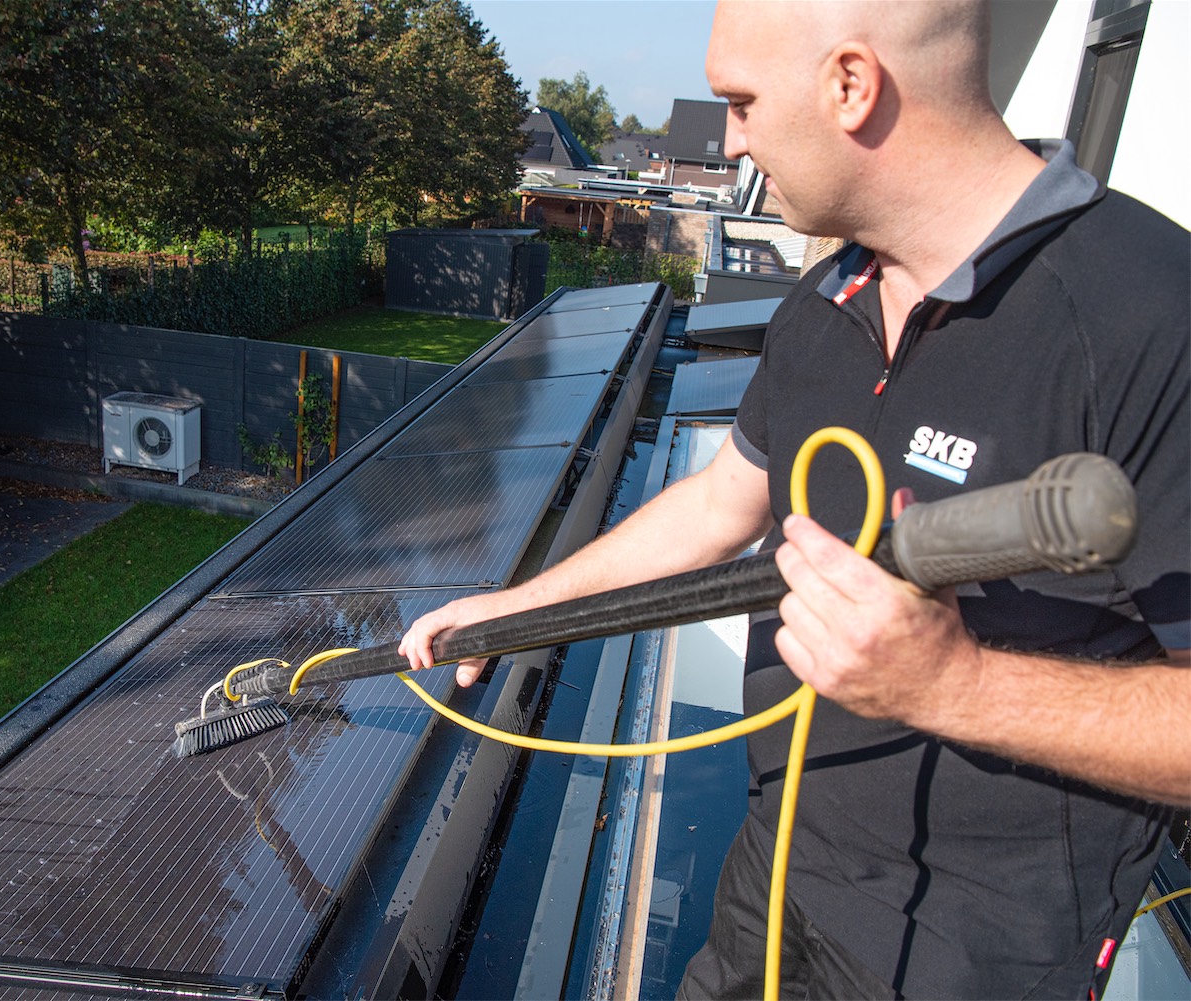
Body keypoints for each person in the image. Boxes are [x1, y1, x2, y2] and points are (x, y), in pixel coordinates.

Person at [399, 2, 1189, 997]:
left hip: (969, 958)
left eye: (740, 101)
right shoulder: (829, 301)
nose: (729, 136)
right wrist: (517, 609)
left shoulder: (1151, 317)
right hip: (773, 879)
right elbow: (722, 501)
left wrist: (956, 687)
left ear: (850, 86)